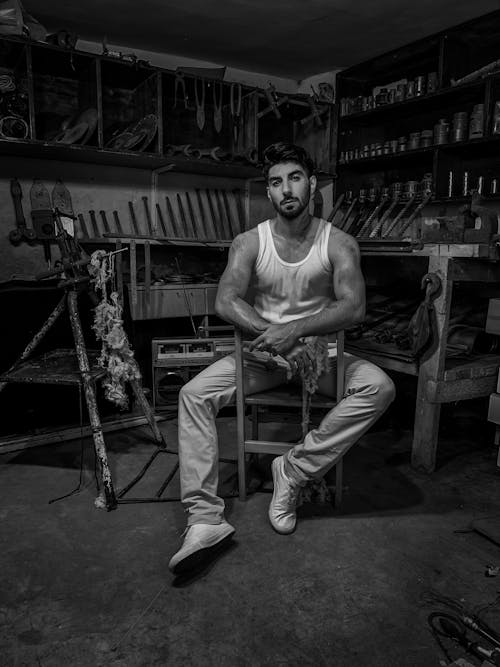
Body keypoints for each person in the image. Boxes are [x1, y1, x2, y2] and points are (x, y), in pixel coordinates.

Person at [168, 142, 395, 574]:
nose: (286, 188)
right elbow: (226, 299)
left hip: (321, 358)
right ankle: (203, 520)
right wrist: (273, 339)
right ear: (268, 193)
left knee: (379, 387)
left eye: (294, 178)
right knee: (194, 394)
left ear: (311, 184)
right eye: (276, 182)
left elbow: (353, 307)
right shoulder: (249, 242)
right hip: (262, 359)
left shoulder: (340, 243)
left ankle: (293, 469)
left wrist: (295, 331)